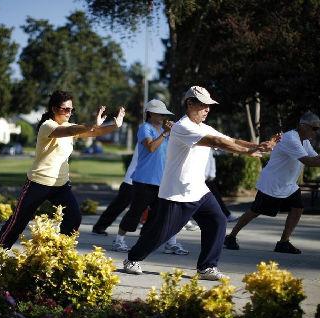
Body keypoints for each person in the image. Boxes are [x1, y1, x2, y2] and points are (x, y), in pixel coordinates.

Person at [122, 86, 276, 280]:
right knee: (160, 234)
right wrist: (247, 152)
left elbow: (229, 139)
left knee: (217, 221)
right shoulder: (182, 127)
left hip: (199, 190)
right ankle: (132, 259)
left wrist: (258, 146)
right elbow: (217, 142)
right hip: (178, 193)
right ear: (190, 103)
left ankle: (207, 267)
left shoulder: (203, 127)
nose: (207, 109)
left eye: (209, 105)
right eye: (203, 105)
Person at [0, 90, 125, 257]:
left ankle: (59, 253)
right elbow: (71, 132)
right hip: (38, 182)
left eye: (71, 109)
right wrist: (93, 124)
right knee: (19, 220)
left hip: (61, 185)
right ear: (53, 109)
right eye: (64, 109)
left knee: (74, 217)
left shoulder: (69, 127)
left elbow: (94, 133)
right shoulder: (48, 126)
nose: (68, 113)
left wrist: (115, 125)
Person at [224, 111, 320, 254]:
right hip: (273, 184)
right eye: (314, 128)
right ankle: (231, 237)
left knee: (298, 208)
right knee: (255, 211)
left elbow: (316, 158)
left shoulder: (305, 141)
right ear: (303, 126)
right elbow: (308, 161)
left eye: (317, 129)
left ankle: (283, 242)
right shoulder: (290, 139)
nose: (316, 132)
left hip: (289, 185)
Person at [111, 99, 189, 255]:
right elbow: (151, 147)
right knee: (135, 212)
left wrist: (173, 132)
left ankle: (153, 243)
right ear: (151, 113)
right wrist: (165, 133)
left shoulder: (166, 131)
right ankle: (119, 240)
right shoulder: (145, 128)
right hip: (143, 181)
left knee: (159, 216)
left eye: (164, 114)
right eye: (159, 113)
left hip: (162, 181)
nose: (162, 117)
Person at [91, 145, 139, 236]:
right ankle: (99, 227)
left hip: (151, 180)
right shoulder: (148, 132)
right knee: (119, 204)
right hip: (132, 179)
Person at [205, 148, 239, 222]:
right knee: (213, 198)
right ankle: (225, 215)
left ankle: (225, 215)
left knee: (214, 197)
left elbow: (214, 155)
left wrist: (212, 173)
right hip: (200, 177)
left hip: (207, 178)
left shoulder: (208, 146)